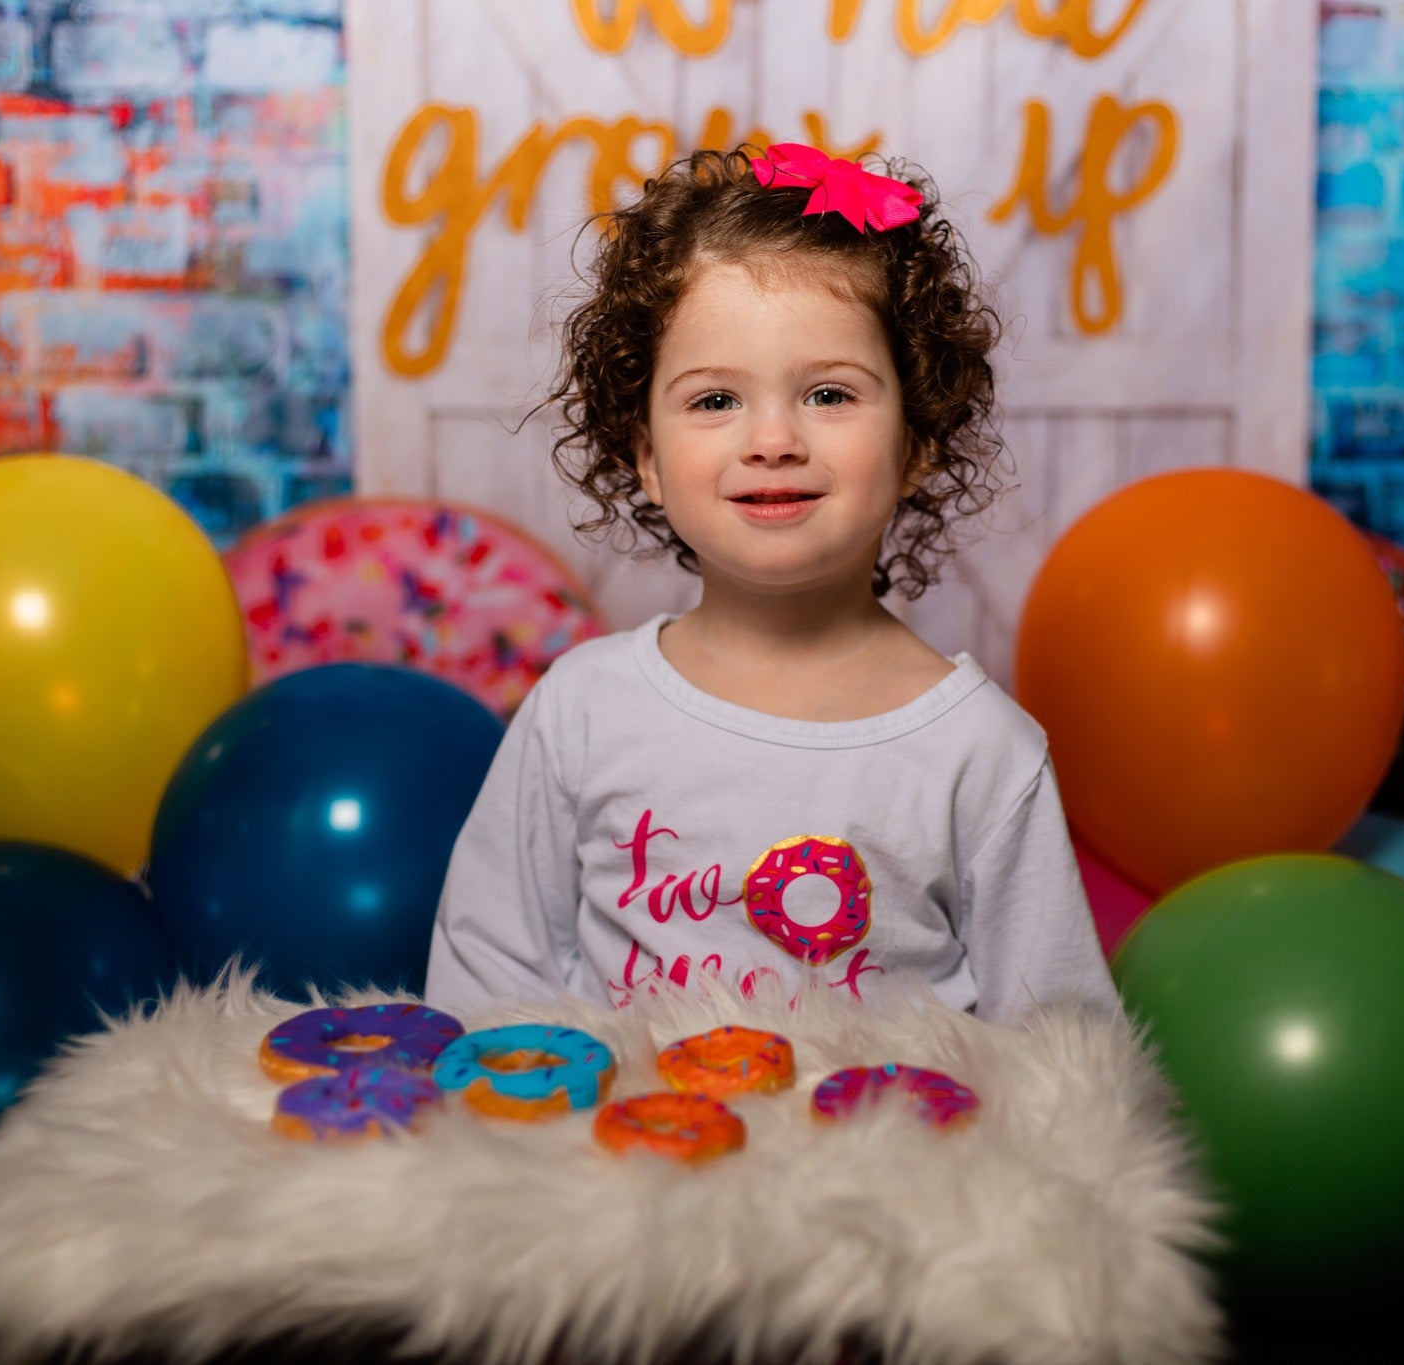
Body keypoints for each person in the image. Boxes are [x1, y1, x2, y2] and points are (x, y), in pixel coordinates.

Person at [425, 144, 1116, 1022]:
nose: (773, 439)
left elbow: (1063, 1057)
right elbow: (486, 976)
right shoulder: (581, 712)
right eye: (715, 400)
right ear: (647, 457)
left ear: (919, 441)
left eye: (829, 394)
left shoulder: (981, 753)